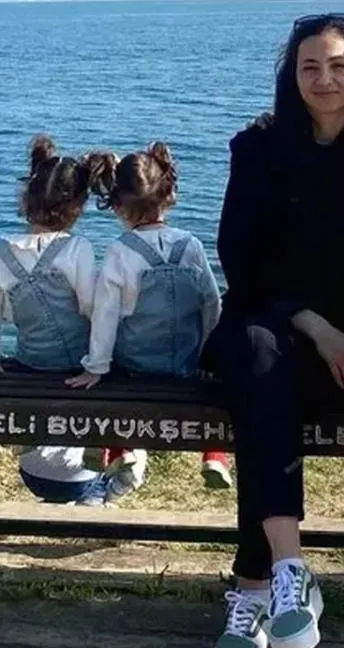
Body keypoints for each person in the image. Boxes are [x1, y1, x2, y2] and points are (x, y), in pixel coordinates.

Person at [207, 12, 344, 648]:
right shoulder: (258, 149)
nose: (325, 79)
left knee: (261, 399)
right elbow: (239, 258)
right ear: (292, 75)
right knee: (258, 357)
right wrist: (313, 324)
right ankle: (290, 568)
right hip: (275, 326)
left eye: (338, 65)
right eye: (310, 67)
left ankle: (254, 588)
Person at [65, 143, 229, 494]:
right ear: (168, 195)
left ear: (119, 206)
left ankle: (121, 448)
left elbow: (106, 316)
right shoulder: (191, 245)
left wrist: (96, 366)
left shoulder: (120, 252)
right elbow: (211, 303)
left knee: (109, 380)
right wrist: (208, 355)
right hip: (186, 363)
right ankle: (215, 455)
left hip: (136, 364)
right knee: (216, 397)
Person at [1, 136, 142, 504]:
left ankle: (35, 437)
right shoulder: (77, 249)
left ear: (27, 198)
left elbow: (5, 314)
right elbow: (92, 309)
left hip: (30, 364)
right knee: (120, 365)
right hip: (77, 369)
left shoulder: (2, 250)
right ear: (78, 207)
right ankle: (114, 448)